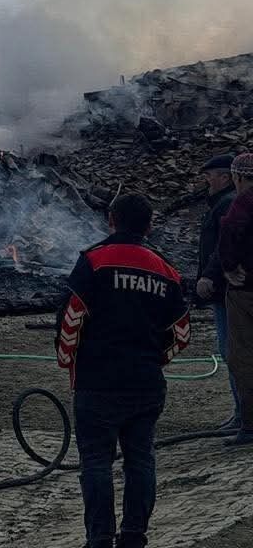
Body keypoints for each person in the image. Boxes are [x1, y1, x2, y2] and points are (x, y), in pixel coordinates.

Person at [56, 193, 191, 548]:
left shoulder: (94, 261)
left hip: (97, 384)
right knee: (141, 459)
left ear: (112, 220)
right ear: (149, 226)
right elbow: (181, 332)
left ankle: (99, 538)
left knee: (97, 462)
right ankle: (134, 536)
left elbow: (71, 318)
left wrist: (68, 359)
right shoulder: (166, 271)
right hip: (145, 383)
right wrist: (154, 361)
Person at [193, 152, 240, 429]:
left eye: (209, 176)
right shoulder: (224, 203)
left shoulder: (228, 204)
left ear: (225, 177)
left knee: (233, 351)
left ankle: (244, 415)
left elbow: (224, 247)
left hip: (227, 291)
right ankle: (241, 412)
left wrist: (209, 277)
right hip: (226, 290)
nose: (206, 181)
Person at [216, 153, 253, 446]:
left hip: (246, 291)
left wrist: (229, 268)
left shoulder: (243, 202)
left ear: (238, 177)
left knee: (242, 356)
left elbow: (229, 230)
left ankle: (249, 424)